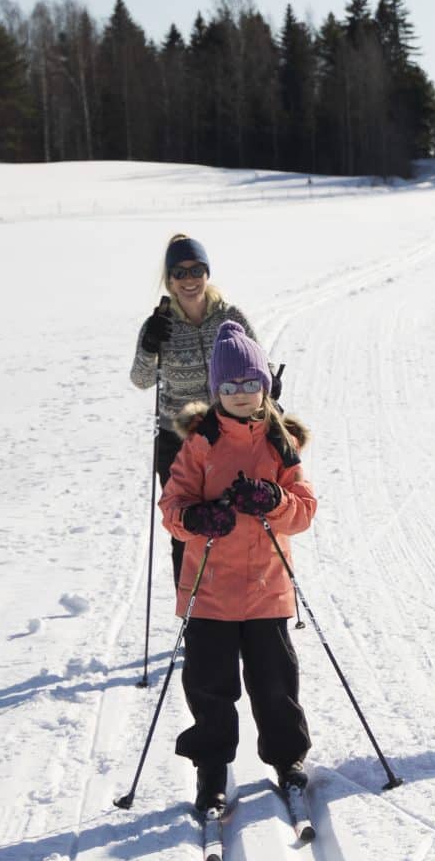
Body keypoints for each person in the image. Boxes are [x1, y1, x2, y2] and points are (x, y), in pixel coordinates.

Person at [158, 321, 315, 816]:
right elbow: (172, 508)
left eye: (251, 385)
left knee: (276, 685)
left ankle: (288, 761)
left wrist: (274, 499)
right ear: (216, 391)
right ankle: (211, 772)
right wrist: (198, 517)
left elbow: (305, 510)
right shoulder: (200, 444)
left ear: (265, 386)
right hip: (210, 590)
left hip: (267, 588)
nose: (242, 395)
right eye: (230, 387)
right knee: (209, 687)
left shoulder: (280, 443)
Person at [131, 234, 258, 585]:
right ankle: (192, 616)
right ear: (169, 280)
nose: (189, 280)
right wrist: (148, 344)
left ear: (207, 272)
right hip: (178, 440)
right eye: (180, 272)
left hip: (229, 436)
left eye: (197, 270)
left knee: (237, 522)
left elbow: (257, 366)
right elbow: (141, 379)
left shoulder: (230, 317)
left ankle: (238, 611)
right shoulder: (159, 323)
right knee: (186, 527)